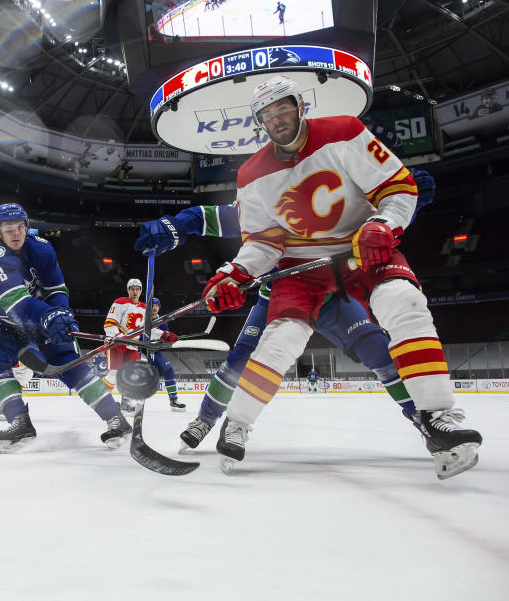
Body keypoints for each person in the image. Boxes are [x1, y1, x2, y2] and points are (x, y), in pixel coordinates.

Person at [201, 75, 481, 477]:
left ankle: (437, 415)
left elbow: (398, 187)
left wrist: (383, 224)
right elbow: (264, 240)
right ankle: (238, 423)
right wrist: (236, 271)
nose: (277, 118)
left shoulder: (346, 131)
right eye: (267, 114)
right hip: (300, 266)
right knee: (280, 339)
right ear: (260, 123)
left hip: (362, 246)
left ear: (300, 106)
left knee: (403, 301)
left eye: (283, 108)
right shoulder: (250, 174)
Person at [135, 195, 430, 453]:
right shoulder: (269, 194)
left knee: (377, 349)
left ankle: (423, 416)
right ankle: (206, 419)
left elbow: (373, 212)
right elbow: (207, 217)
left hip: (331, 295)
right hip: (278, 298)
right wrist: (174, 226)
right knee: (240, 360)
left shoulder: (331, 183)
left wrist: (401, 206)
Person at [0, 203, 131, 452]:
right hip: (5, 322)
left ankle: (116, 418)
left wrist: (61, 312)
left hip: (41, 317)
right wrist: (49, 316)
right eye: (9, 229)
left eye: (20, 227)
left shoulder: (41, 249)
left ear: (26, 227)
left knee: (68, 361)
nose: (15, 234)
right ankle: (20, 422)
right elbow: (18, 306)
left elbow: (57, 289)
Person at [103, 278, 146, 412]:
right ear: (128, 290)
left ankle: (126, 403)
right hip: (117, 344)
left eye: (137, 289)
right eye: (132, 289)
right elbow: (110, 324)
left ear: (140, 291)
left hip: (132, 345)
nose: (135, 292)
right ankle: (101, 401)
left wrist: (162, 335)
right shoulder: (120, 302)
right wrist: (119, 337)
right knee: (114, 374)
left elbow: (148, 329)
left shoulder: (145, 307)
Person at [148, 299, 187, 411]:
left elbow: (165, 338)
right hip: (142, 351)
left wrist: (169, 339)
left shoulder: (163, 320)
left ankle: (173, 400)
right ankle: (129, 403)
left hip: (155, 351)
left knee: (168, 370)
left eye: (156, 306)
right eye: (152, 306)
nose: (154, 308)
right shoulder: (142, 319)